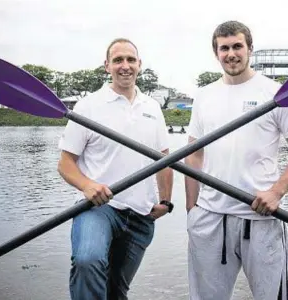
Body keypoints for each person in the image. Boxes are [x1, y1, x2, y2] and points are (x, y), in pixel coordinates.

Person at [184, 21, 288, 300]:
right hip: (210, 218)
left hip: (261, 216)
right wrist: (191, 209)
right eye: (224, 48)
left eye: (237, 46)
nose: (231, 53)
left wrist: (277, 192)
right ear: (216, 53)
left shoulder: (276, 94)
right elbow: (194, 153)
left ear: (250, 49)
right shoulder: (204, 96)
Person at [57, 37, 174, 300]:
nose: (125, 66)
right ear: (107, 66)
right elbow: (65, 164)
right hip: (98, 209)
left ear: (140, 65)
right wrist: (88, 186)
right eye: (118, 60)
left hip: (141, 215)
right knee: (88, 261)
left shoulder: (153, 108)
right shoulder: (88, 106)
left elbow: (164, 160)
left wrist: (166, 201)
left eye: (131, 60)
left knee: (115, 290)